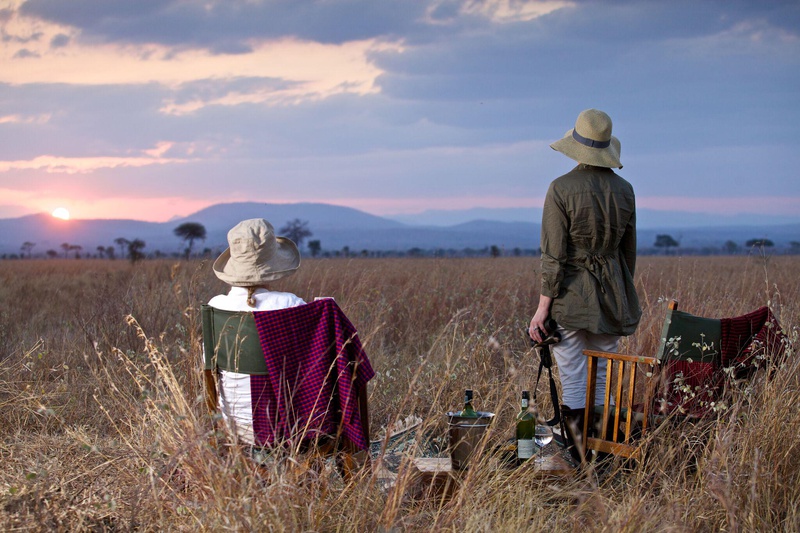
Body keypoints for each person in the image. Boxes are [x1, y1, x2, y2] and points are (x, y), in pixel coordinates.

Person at [528, 109, 641, 455]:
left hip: (570, 298)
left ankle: (579, 457)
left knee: (574, 376)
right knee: (604, 374)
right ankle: (600, 453)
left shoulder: (560, 188)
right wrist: (618, 288)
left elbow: (554, 256)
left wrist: (542, 310)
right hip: (613, 294)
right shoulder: (625, 190)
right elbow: (628, 254)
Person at [208, 218, 304, 445]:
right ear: (274, 264)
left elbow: (208, 368)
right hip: (287, 428)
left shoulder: (215, 307)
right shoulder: (291, 305)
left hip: (230, 427)